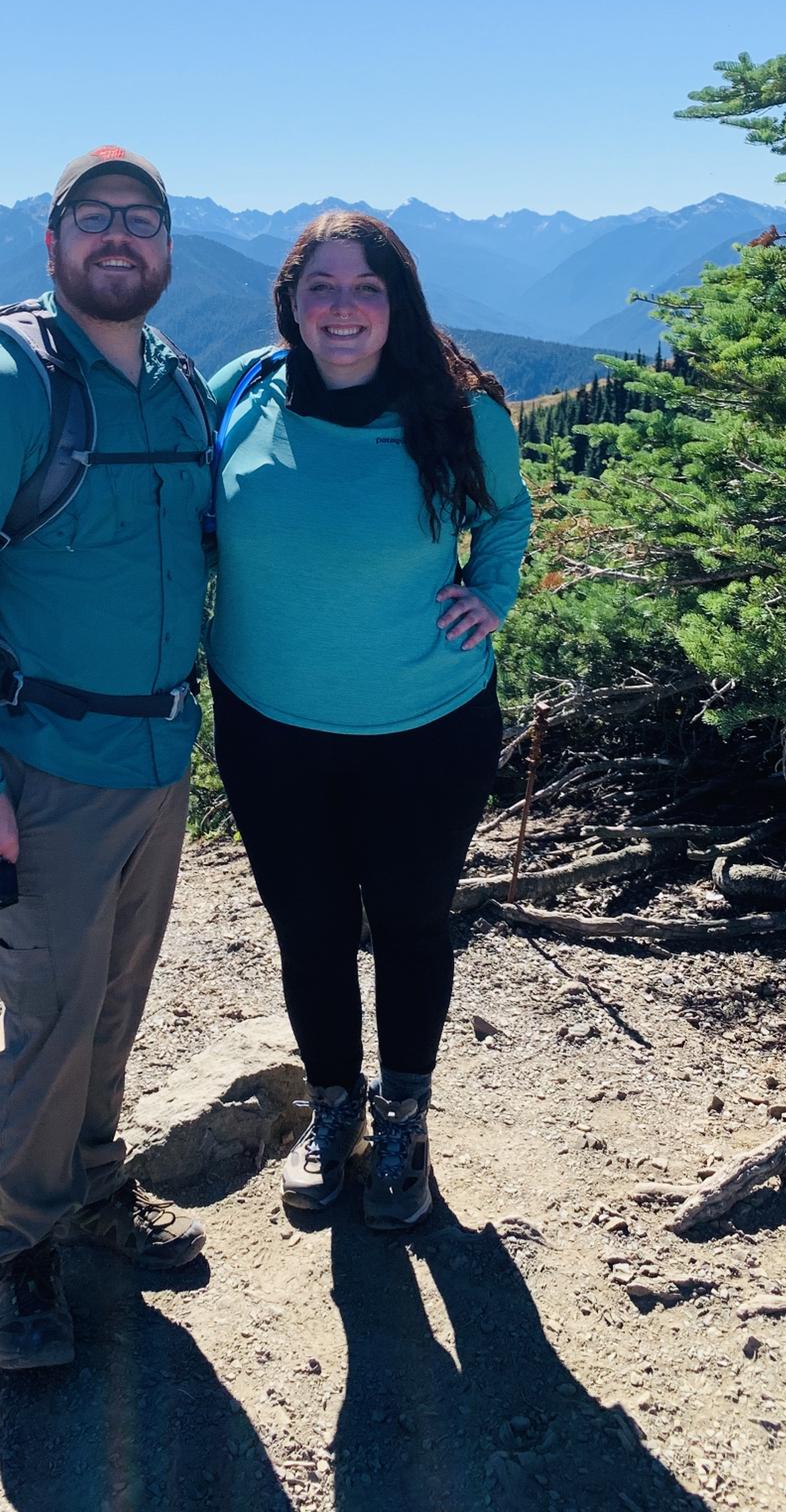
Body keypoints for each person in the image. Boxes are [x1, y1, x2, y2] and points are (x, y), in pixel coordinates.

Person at [0, 147, 212, 1371]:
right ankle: (22, 1254)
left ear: (167, 247)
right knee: (45, 1015)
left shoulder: (178, 383)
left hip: (161, 753)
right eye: (96, 220)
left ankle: (93, 1187)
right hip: (42, 765)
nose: (119, 239)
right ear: (54, 240)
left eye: (142, 221)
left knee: (112, 1004)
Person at [206, 211, 532, 1231]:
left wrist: (494, 591)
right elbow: (185, 516)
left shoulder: (457, 408)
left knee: (407, 923)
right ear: (291, 302)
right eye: (322, 286)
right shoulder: (241, 396)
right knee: (307, 927)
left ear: (398, 301)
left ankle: (404, 1117)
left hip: (427, 722)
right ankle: (333, 1107)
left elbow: (508, 512)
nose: (342, 307)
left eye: (366, 287)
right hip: (269, 725)